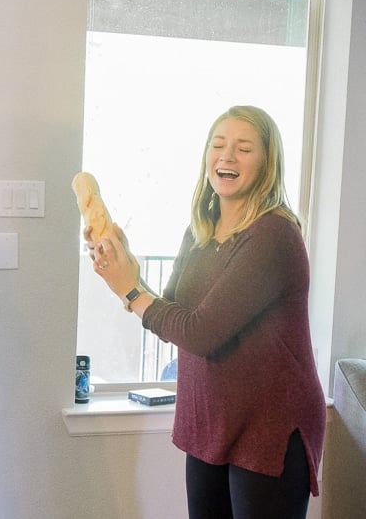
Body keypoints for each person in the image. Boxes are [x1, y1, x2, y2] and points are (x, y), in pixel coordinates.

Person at [85, 105, 326, 519]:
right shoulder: (200, 228)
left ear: (268, 163)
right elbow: (172, 315)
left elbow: (201, 332)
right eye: (218, 145)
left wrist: (128, 288)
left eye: (243, 148)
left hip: (268, 426)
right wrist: (124, 263)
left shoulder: (273, 234)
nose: (226, 156)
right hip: (211, 419)